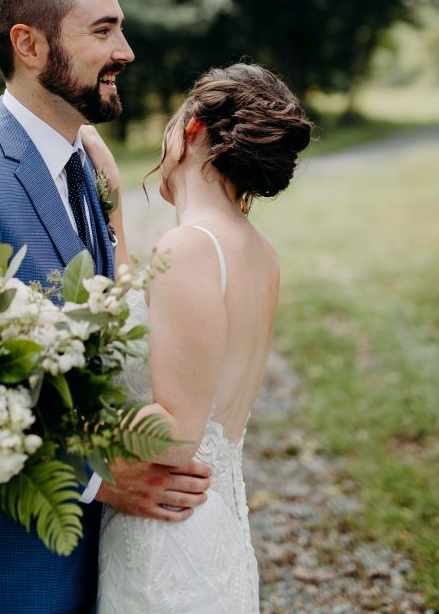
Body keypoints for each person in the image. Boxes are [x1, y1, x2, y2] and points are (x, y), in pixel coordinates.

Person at [0, 0, 211, 614]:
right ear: (29, 45)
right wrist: (96, 482)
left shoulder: (84, 167)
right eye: (101, 31)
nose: (124, 49)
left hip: (99, 561)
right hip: (13, 570)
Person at [81, 63, 313, 614]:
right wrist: (110, 201)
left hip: (167, 546)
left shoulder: (188, 248)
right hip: (215, 531)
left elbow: (178, 433)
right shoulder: (257, 252)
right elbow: (165, 332)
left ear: (191, 127)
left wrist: (62, 431)